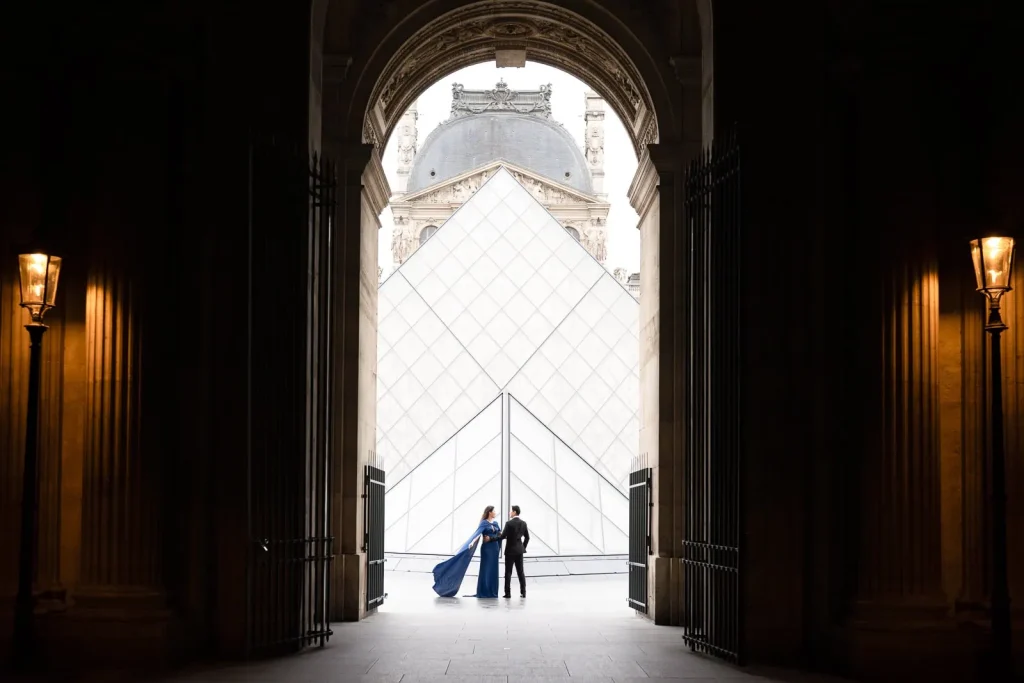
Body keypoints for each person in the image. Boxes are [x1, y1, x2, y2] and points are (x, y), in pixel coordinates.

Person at [430, 505, 501, 598]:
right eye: (494, 511)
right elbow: (477, 534)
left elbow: (500, 536)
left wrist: (492, 538)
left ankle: (492, 591)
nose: (495, 513)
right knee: (486, 569)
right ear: (489, 512)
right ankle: (484, 591)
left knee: (493, 570)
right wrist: (471, 544)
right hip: (487, 550)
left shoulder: (495, 524)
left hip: (494, 549)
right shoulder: (484, 523)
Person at [499, 505, 529, 598]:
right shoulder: (524, 523)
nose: (510, 513)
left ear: (515, 512)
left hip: (510, 551)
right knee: (521, 572)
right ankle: (523, 592)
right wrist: (522, 547)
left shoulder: (509, 523)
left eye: (511, 511)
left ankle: (508, 593)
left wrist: (492, 539)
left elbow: (503, 536)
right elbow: (527, 537)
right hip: (519, 551)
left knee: (508, 572)